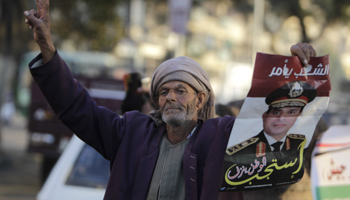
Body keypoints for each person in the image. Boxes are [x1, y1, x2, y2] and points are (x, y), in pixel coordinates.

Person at [23, 0, 317, 199]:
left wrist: (294, 71)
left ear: (200, 99)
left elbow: (278, 123)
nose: (170, 98)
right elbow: (76, 107)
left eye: (180, 90)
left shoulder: (223, 135)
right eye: (163, 92)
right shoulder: (130, 132)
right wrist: (47, 48)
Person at [223, 81, 317, 189]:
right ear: (264, 116)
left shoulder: (304, 140)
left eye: (291, 112)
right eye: (276, 112)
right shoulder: (240, 148)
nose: (282, 118)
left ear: (298, 116)